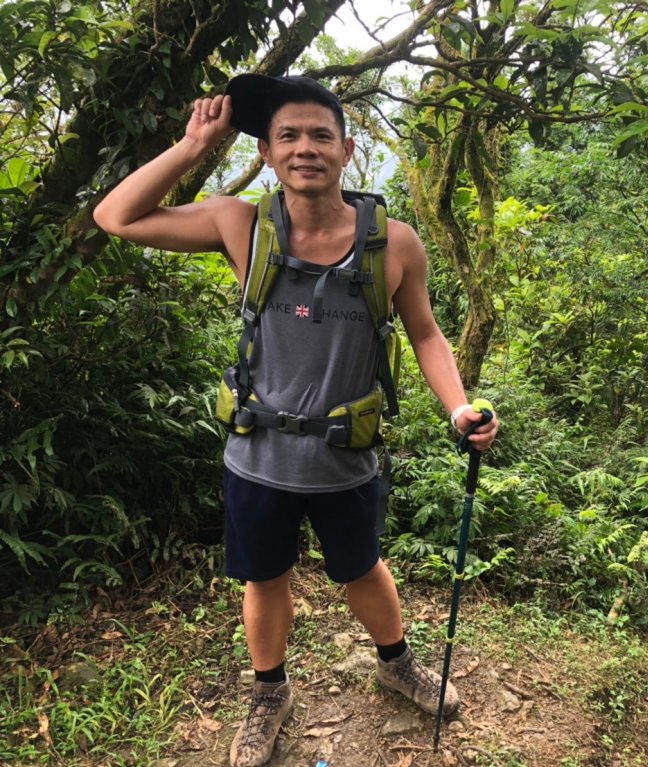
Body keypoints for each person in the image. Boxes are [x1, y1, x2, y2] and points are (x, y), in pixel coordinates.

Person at [93, 74, 499, 767]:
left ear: (346, 148)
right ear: (267, 150)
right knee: (265, 577)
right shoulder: (239, 224)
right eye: (288, 136)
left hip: (347, 457)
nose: (304, 147)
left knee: (363, 568)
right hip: (258, 456)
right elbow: (117, 217)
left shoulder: (393, 243)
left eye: (319, 135)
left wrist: (458, 404)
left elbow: (427, 334)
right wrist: (194, 146)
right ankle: (268, 693)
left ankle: (395, 663)